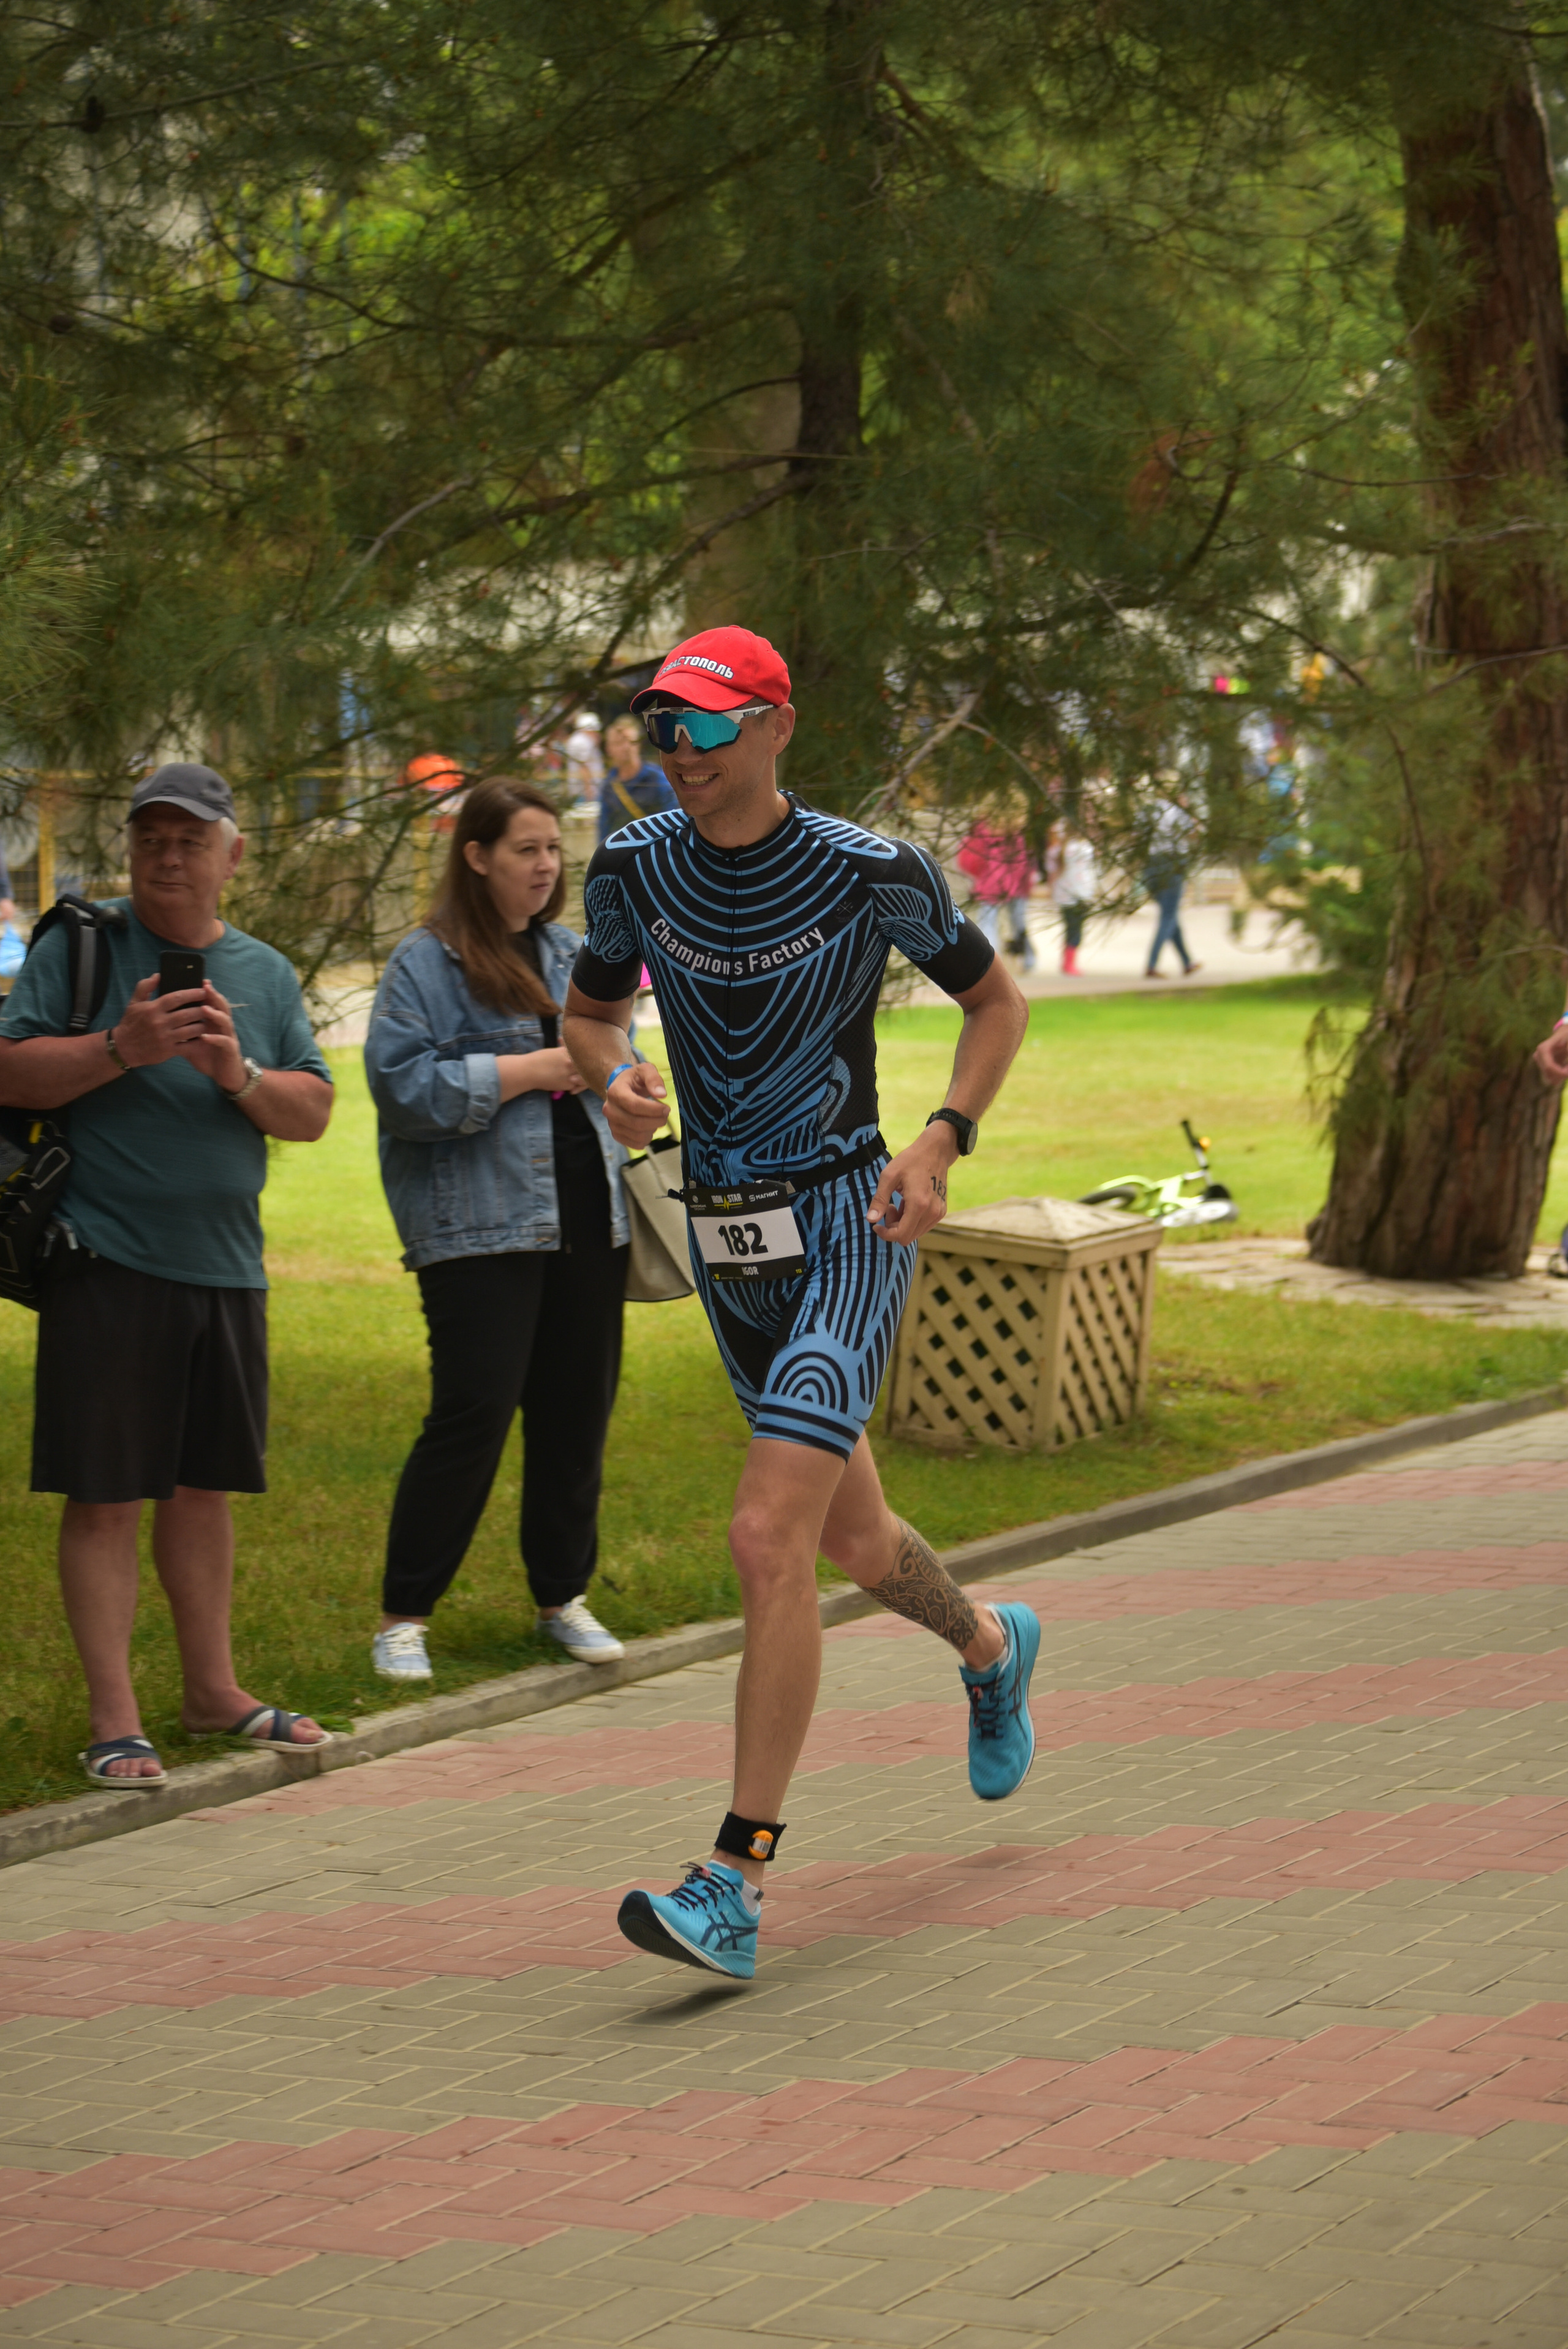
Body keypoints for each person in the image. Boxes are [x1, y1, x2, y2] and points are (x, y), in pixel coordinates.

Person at [564, 624, 1036, 1984]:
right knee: (852, 1537)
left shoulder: (867, 870)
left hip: (849, 1225)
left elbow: (994, 1004)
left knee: (766, 1537)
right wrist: (613, 1074)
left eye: (707, 731)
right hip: (727, 1246)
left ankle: (733, 1880)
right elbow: (594, 1015)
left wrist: (940, 1139)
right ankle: (990, 1644)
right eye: (662, 730)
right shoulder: (631, 867)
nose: (680, 758)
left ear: (774, 727)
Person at [0, 764, 336, 1785]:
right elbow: (8, 1070)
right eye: (152, 837)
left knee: (202, 1489)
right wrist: (121, 1045)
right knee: (106, 1493)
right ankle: (115, 1719)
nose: (169, 854)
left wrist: (234, 1073)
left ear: (232, 853)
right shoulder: (83, 943)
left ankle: (212, 1691)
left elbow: (313, 1110)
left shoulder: (267, 975)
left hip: (228, 1268)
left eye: (191, 838)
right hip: (106, 1258)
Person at [365, 777, 632, 1684]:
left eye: (555, 849)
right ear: (476, 857)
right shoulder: (425, 964)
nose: (547, 865)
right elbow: (403, 1091)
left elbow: (617, 1065)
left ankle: (562, 1597)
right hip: (480, 1230)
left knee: (575, 1414)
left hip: (591, 1219)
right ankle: (404, 1617)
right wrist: (532, 1068)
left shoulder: (574, 954)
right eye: (526, 848)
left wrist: (628, 1086)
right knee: (472, 1413)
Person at [957, 814, 1038, 972]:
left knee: (993, 925)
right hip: (1009, 885)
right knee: (1014, 924)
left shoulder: (983, 833)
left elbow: (971, 858)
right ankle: (1010, 962)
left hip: (994, 885)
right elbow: (1024, 863)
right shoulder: (1015, 834)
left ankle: (996, 963)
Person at [1144, 789, 1201, 979]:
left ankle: (1187, 962)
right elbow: (1194, 834)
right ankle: (1152, 964)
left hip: (1151, 865)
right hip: (1172, 863)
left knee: (1172, 916)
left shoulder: (1148, 811)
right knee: (1168, 916)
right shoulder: (1178, 813)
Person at [598, 714, 679, 846]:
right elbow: (604, 830)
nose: (626, 748)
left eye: (632, 742)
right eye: (619, 743)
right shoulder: (609, 786)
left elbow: (673, 821)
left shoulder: (658, 779)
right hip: (621, 855)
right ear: (609, 749)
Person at [1049, 822, 1097, 975]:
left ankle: (1067, 961)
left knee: (1069, 927)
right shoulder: (1083, 848)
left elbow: (1052, 869)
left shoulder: (1058, 850)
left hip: (1064, 893)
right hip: (1079, 893)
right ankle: (1070, 963)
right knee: (1076, 929)